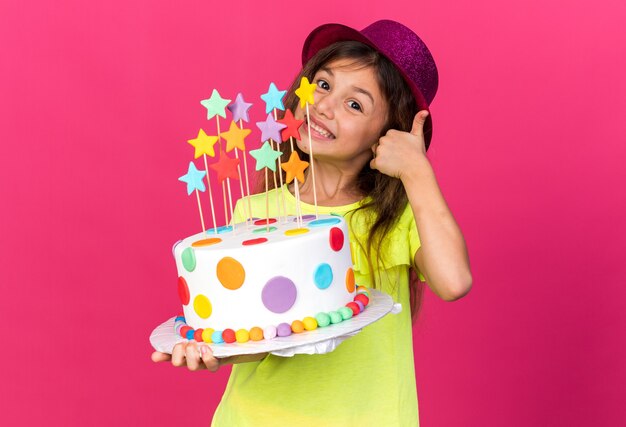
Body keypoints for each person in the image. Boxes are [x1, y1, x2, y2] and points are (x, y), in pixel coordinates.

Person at [152, 19, 472, 426]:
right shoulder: (254, 213)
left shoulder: (396, 219)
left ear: (387, 134)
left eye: (355, 104)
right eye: (322, 84)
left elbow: (455, 281)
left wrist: (417, 173)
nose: (323, 106)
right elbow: (260, 339)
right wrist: (213, 350)